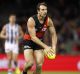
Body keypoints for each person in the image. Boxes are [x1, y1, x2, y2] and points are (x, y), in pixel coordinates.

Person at [23, 2, 57, 74]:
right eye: (42, 9)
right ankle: (24, 72)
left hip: (39, 42)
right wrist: (46, 47)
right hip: (29, 41)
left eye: (46, 9)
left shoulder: (48, 21)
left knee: (39, 65)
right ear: (38, 11)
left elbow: (54, 34)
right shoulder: (31, 20)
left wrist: (53, 48)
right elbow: (33, 37)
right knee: (30, 63)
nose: (45, 11)